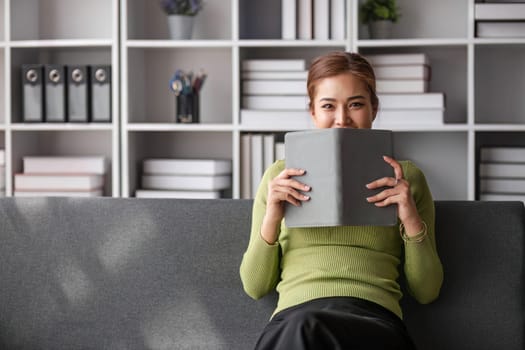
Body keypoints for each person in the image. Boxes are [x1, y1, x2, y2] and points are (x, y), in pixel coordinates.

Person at [239, 51, 444, 350]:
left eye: (356, 105)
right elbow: (255, 287)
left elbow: (427, 290)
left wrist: (410, 219)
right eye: (328, 106)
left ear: (374, 109)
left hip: (373, 320)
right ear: (312, 112)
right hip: (295, 318)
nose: (342, 119)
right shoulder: (279, 177)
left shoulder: (407, 178)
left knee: (307, 329)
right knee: (305, 327)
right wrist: (272, 216)